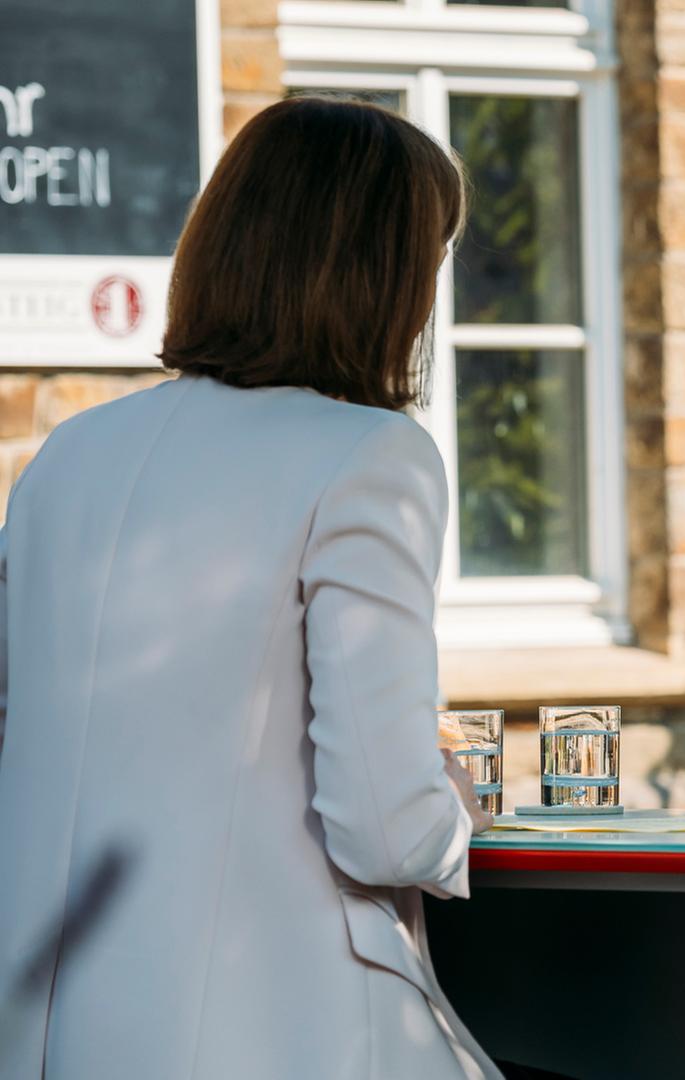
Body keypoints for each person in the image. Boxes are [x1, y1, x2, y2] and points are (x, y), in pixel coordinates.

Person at [0, 98, 501, 1079]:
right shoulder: (371, 456)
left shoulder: (65, 454)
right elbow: (388, 827)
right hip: (278, 1028)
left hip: (47, 1030)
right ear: (382, 278)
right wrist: (461, 801)